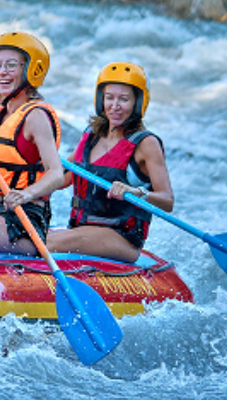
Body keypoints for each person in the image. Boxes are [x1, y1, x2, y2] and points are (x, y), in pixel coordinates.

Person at [47, 62, 174, 262]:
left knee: (44, 244)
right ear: (101, 100)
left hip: (121, 238)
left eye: (123, 99)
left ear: (137, 103)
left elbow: (167, 201)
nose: (115, 106)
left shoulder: (146, 144)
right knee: (32, 236)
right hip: (81, 230)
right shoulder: (90, 137)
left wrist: (136, 192)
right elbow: (60, 178)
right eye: (109, 98)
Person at [0, 32, 65, 255]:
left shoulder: (36, 116)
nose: (1, 72)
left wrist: (26, 194)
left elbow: (56, 173)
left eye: (11, 65)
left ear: (32, 70)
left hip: (24, 224)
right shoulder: (1, 113)